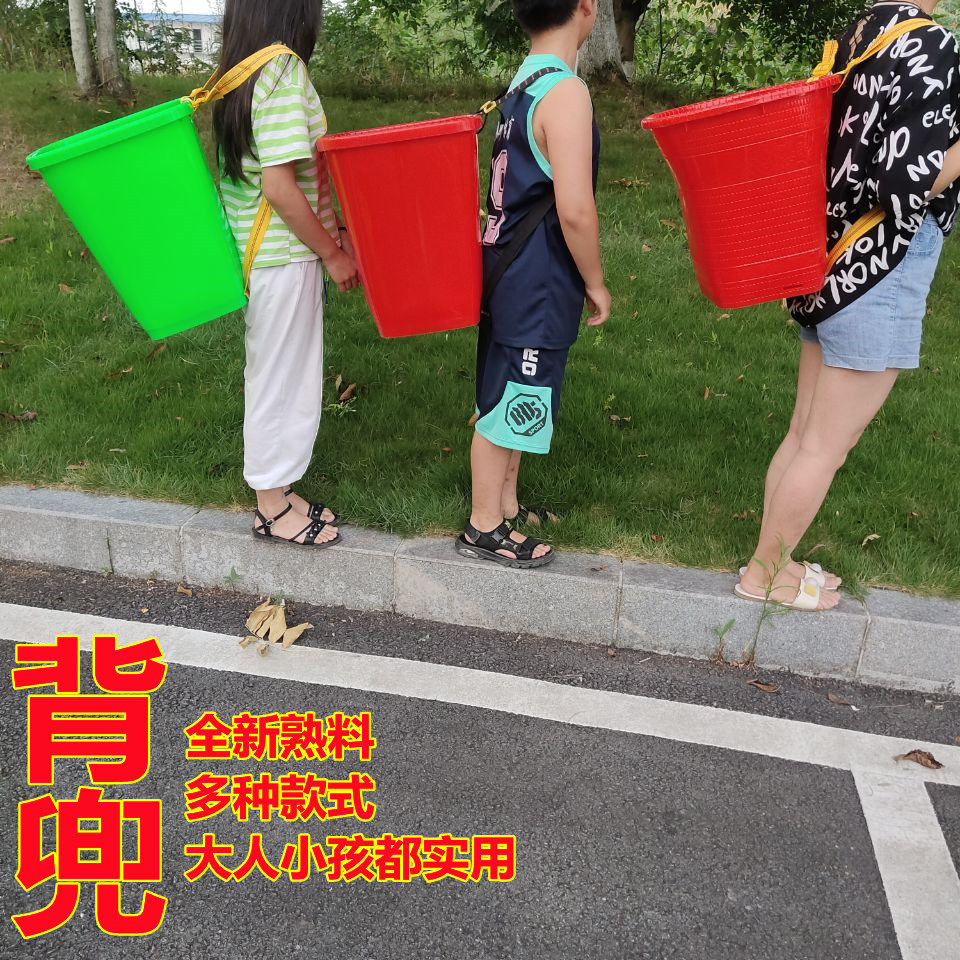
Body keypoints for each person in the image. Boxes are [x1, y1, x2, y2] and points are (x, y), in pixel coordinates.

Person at [737, 0, 960, 610]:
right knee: (825, 445)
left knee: (804, 433)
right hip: (883, 262)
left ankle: (774, 558)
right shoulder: (931, 43)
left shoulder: (861, 31)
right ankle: (767, 576)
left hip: (833, 257)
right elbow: (907, 180)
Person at [457, 0, 611, 569]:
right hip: (537, 275)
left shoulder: (523, 83)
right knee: (514, 399)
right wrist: (595, 280)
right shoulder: (565, 92)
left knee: (515, 388)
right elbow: (575, 209)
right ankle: (483, 525)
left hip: (506, 265)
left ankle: (507, 504)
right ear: (585, 8)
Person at [214, 0, 360, 549]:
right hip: (284, 255)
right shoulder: (281, 70)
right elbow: (279, 188)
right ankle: (271, 507)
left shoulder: (242, 71)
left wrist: (335, 228)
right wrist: (333, 253)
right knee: (281, 380)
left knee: (279, 372)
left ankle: (279, 489)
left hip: (264, 255)